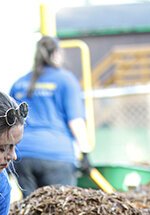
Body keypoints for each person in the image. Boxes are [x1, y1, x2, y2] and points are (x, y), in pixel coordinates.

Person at [9, 35, 92, 196]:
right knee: (60, 210)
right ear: (56, 54)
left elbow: (8, 122)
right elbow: (75, 121)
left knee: (31, 210)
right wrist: (86, 153)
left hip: (22, 155)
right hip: (56, 156)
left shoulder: (19, 83)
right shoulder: (66, 80)